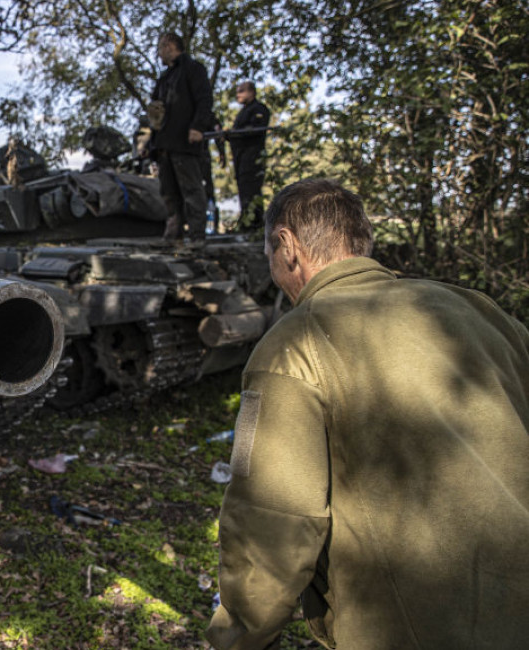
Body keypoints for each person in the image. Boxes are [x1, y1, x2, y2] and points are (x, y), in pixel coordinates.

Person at [206, 179, 529, 649]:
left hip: (417, 627)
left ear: (287, 246)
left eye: (270, 253)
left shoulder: (294, 343)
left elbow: (273, 516)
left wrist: (239, 638)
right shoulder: (482, 311)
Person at [149, 32, 213, 248]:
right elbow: (155, 113)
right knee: (168, 191)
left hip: (185, 141)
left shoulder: (193, 69)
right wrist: (150, 143)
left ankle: (197, 236)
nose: (158, 52)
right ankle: (173, 234)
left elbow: (204, 100)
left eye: (160, 47)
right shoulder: (164, 79)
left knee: (191, 189)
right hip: (164, 143)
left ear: (169, 46)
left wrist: (197, 127)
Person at [226, 82, 269, 231]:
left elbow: (254, 129)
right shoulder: (243, 112)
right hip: (240, 157)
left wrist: (236, 134)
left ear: (251, 92)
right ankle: (246, 221)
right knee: (244, 190)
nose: (238, 94)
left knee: (252, 189)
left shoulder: (258, 109)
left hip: (252, 157)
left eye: (241, 91)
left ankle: (254, 224)